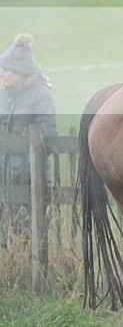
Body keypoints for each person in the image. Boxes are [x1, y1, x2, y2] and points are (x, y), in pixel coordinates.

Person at [0, 33, 57, 245]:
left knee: (28, 237)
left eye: (7, 70)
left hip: (29, 178)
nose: (2, 74)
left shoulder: (41, 95)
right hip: (3, 178)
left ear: (21, 72)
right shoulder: (4, 96)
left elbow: (47, 137)